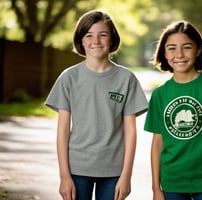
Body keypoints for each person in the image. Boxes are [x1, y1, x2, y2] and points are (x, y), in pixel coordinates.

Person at [45, 10, 148, 200]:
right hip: (77, 169)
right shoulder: (69, 78)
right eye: (89, 35)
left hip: (114, 171)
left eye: (103, 35)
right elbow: (62, 131)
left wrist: (126, 176)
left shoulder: (126, 79)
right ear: (81, 41)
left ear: (112, 39)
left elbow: (131, 132)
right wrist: (64, 176)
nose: (96, 41)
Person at [144, 20, 202, 200]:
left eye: (187, 47)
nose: (179, 54)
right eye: (171, 48)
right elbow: (157, 143)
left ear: (199, 50)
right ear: (164, 52)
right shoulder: (160, 94)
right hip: (172, 181)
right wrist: (156, 188)